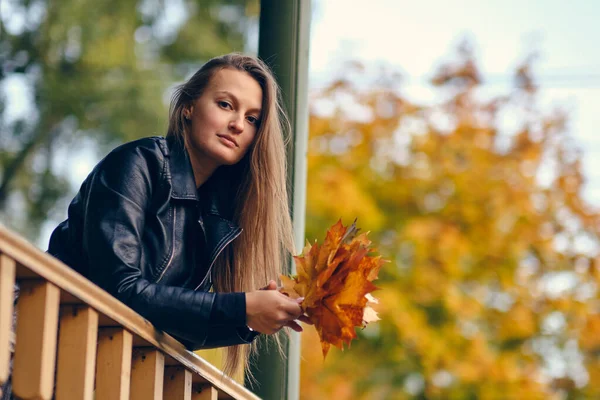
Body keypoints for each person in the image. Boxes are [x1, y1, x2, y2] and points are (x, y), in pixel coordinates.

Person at [47, 53, 309, 375]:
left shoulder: (216, 215)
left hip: (99, 364)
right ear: (189, 106)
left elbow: (177, 322)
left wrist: (251, 319)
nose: (238, 124)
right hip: (42, 337)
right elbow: (119, 290)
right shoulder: (138, 164)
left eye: (252, 118)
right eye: (226, 105)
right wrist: (241, 307)